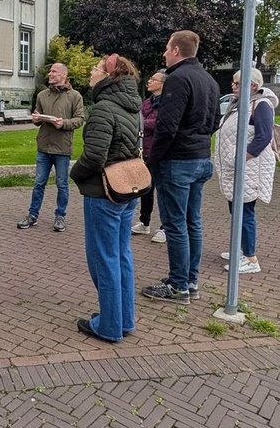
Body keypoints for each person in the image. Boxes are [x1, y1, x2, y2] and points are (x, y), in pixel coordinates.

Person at [141, 30, 220, 304]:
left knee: (175, 224)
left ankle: (178, 286)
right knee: (192, 222)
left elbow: (167, 126)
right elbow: (214, 121)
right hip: (201, 158)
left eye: (166, 49)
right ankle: (190, 280)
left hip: (177, 161)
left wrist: (153, 161)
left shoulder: (177, 79)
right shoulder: (209, 80)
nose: (164, 53)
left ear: (175, 50)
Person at [69, 54, 143, 343]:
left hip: (104, 192)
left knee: (103, 259)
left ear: (109, 76)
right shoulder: (133, 106)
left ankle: (109, 325)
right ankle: (125, 319)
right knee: (122, 255)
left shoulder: (103, 108)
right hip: (128, 188)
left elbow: (94, 156)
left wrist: (75, 174)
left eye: (97, 68)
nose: (91, 71)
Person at [215, 67, 277, 275]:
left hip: (249, 169)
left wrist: (242, 159)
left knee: (245, 212)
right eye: (233, 83)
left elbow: (264, 136)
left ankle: (251, 258)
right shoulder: (239, 104)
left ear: (253, 86)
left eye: (237, 83)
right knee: (237, 211)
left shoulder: (261, 105)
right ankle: (241, 250)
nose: (233, 86)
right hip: (237, 168)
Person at [18, 62, 85, 232]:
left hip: (62, 148)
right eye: (50, 71)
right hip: (43, 147)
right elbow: (37, 115)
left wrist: (64, 123)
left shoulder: (75, 96)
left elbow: (79, 119)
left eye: (54, 71)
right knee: (38, 183)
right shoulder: (42, 95)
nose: (50, 74)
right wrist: (35, 119)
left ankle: (60, 216)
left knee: (62, 184)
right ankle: (33, 215)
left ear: (63, 75)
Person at [132, 70, 167, 244]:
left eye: (154, 79)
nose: (149, 81)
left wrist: (143, 123)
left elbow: (159, 123)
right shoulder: (146, 102)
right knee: (146, 189)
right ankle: (144, 222)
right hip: (144, 151)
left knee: (162, 191)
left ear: (162, 83)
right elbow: (138, 118)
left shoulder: (167, 103)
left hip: (159, 152)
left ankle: (164, 227)